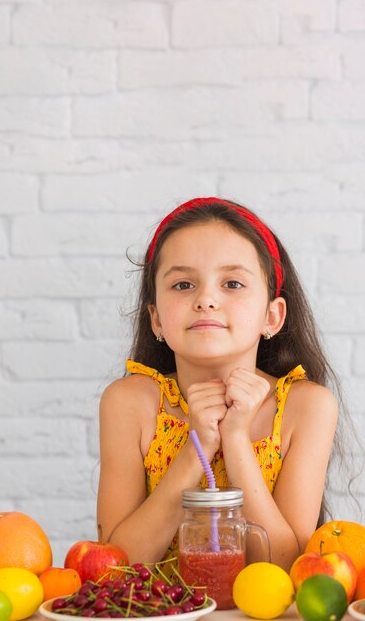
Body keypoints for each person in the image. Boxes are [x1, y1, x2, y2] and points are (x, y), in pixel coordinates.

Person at [96, 197, 342, 572]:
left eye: (232, 283)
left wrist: (236, 438)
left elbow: (284, 565)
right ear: (156, 319)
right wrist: (198, 444)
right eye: (182, 284)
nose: (206, 299)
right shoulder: (128, 402)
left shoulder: (306, 407)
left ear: (272, 316)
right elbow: (118, 566)